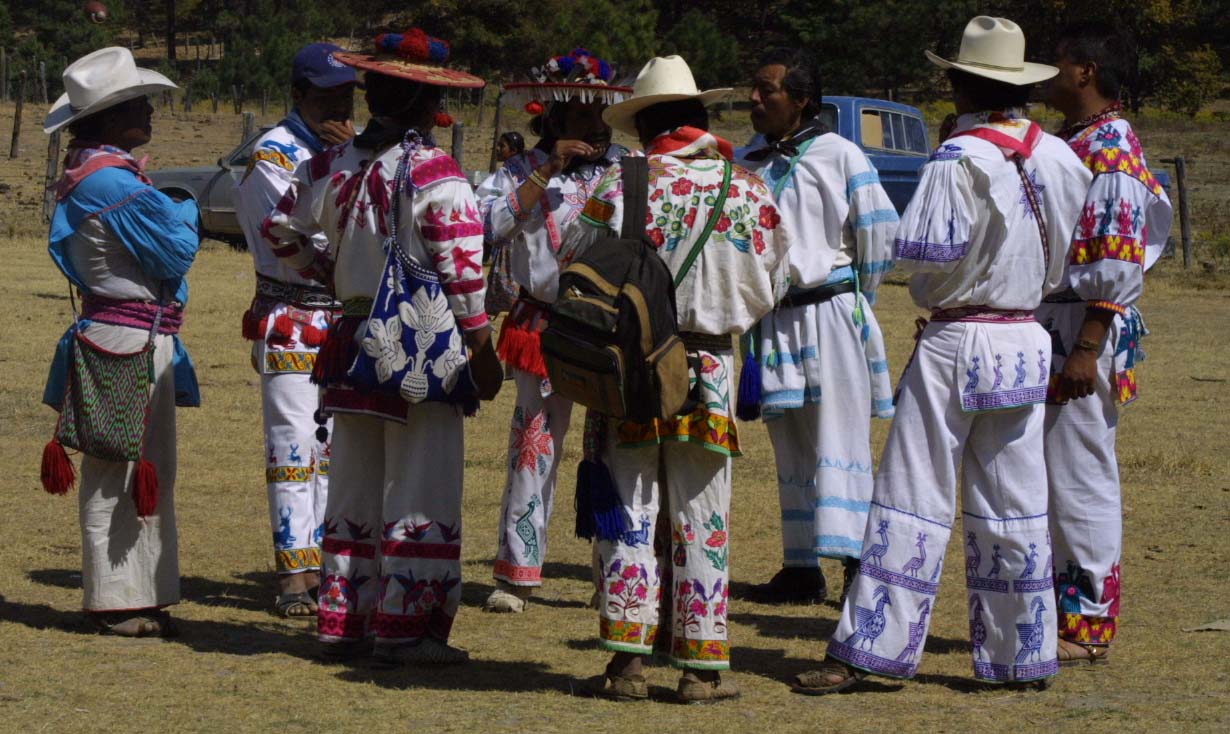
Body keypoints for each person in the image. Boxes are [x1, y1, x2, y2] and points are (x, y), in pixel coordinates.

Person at [793, 17, 1091, 694]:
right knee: (1016, 500)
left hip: (958, 339)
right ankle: (1022, 655)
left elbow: (925, 261)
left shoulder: (959, 160)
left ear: (959, 82)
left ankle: (873, 651)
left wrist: (944, 292)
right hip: (1025, 340)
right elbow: (1075, 252)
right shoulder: (1061, 159)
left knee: (911, 496)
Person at [265, 29, 503, 665]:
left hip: (349, 341)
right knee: (422, 483)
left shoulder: (329, 166)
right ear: (429, 108)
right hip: (421, 348)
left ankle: (347, 623)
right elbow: (463, 276)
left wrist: (329, 274)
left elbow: (278, 229)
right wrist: (482, 351)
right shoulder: (435, 174)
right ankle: (409, 630)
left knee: (354, 484)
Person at [565, 55, 791, 703]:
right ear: (699, 117)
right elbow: (774, 281)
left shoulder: (620, 185)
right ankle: (699, 669)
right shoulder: (749, 189)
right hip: (712, 371)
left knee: (629, 512)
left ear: (645, 125)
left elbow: (576, 263)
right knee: (703, 516)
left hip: (633, 369)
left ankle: (627, 665)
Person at [41, 47, 201, 636]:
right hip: (125, 340)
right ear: (111, 119)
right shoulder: (111, 182)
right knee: (118, 469)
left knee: (142, 467)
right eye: (139, 104)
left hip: (128, 334)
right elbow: (177, 249)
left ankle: (140, 593)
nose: (150, 113)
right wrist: (182, 207)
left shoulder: (98, 176)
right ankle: (115, 598)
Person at [737, 48, 897, 606]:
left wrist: (854, 299)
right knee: (792, 443)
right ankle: (801, 566)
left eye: (768, 89)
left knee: (840, 439)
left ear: (801, 100)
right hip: (773, 323)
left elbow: (878, 237)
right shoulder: (746, 161)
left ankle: (859, 565)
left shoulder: (840, 155)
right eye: (752, 88)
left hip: (830, 315)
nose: (754, 98)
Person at [475, 49, 632, 613]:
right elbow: (487, 227)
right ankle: (518, 573)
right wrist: (545, 171)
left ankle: (615, 573)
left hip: (611, 328)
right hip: (543, 323)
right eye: (580, 113)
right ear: (554, 116)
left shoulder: (626, 170)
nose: (592, 125)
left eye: (599, 113)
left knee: (612, 451)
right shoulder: (518, 172)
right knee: (534, 447)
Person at [1043, 23, 1172, 665]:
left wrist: (1088, 344)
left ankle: (1089, 620)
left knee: (1080, 474)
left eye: (1056, 64)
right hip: (1058, 322)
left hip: (1081, 326)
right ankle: (1057, 608)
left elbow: (1116, 255)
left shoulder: (1111, 145)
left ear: (1086, 70)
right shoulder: (1077, 142)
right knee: (1051, 475)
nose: (1046, 75)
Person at [232, 42, 357, 618]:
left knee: (329, 448)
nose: (340, 109)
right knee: (292, 441)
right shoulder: (273, 156)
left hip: (335, 316)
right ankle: (293, 573)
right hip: (290, 313)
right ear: (300, 96)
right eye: (327, 97)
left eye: (346, 96)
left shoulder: (345, 155)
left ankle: (328, 564)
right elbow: (296, 237)